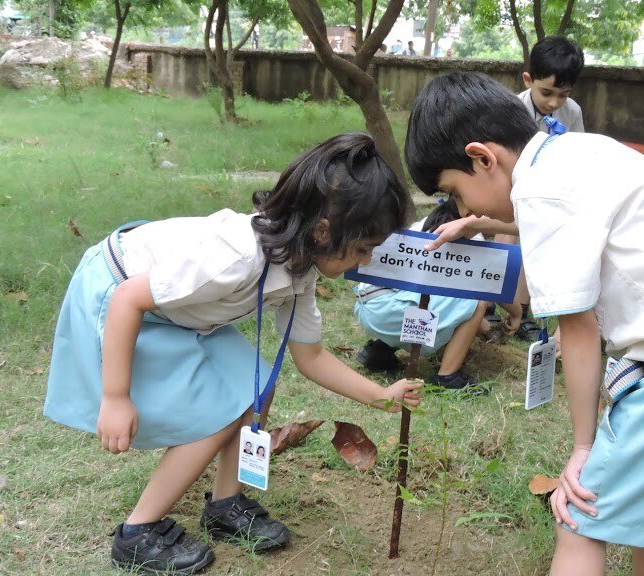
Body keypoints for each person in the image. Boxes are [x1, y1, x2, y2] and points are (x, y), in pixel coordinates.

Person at [405, 71, 644, 576]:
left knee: (580, 517)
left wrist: (582, 447)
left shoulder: (540, 194)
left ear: (482, 158)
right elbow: (571, 209)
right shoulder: (578, 149)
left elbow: (580, 329)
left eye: (456, 192)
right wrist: (483, 222)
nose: (464, 207)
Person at [43, 132, 422, 575]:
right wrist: (115, 397)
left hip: (178, 311)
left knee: (257, 384)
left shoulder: (301, 266)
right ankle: (136, 533)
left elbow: (311, 357)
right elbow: (128, 299)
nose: (367, 261)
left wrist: (382, 396)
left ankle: (226, 503)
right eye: (362, 249)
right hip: (118, 296)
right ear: (323, 230)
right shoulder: (236, 258)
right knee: (220, 409)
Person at [353, 197, 521, 394]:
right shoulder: (468, 236)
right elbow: (494, 283)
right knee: (477, 301)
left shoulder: (423, 224)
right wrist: (517, 313)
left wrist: (479, 325)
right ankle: (447, 376)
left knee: (425, 300)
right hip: (394, 308)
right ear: (470, 214)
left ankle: (379, 351)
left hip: (368, 305)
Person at [487, 36, 586, 342]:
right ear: (528, 79)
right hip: (510, 184)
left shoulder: (572, 112)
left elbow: (576, 152)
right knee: (507, 238)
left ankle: (522, 310)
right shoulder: (511, 109)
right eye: (546, 93)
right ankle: (490, 302)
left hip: (546, 187)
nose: (554, 103)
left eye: (563, 95)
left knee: (533, 245)